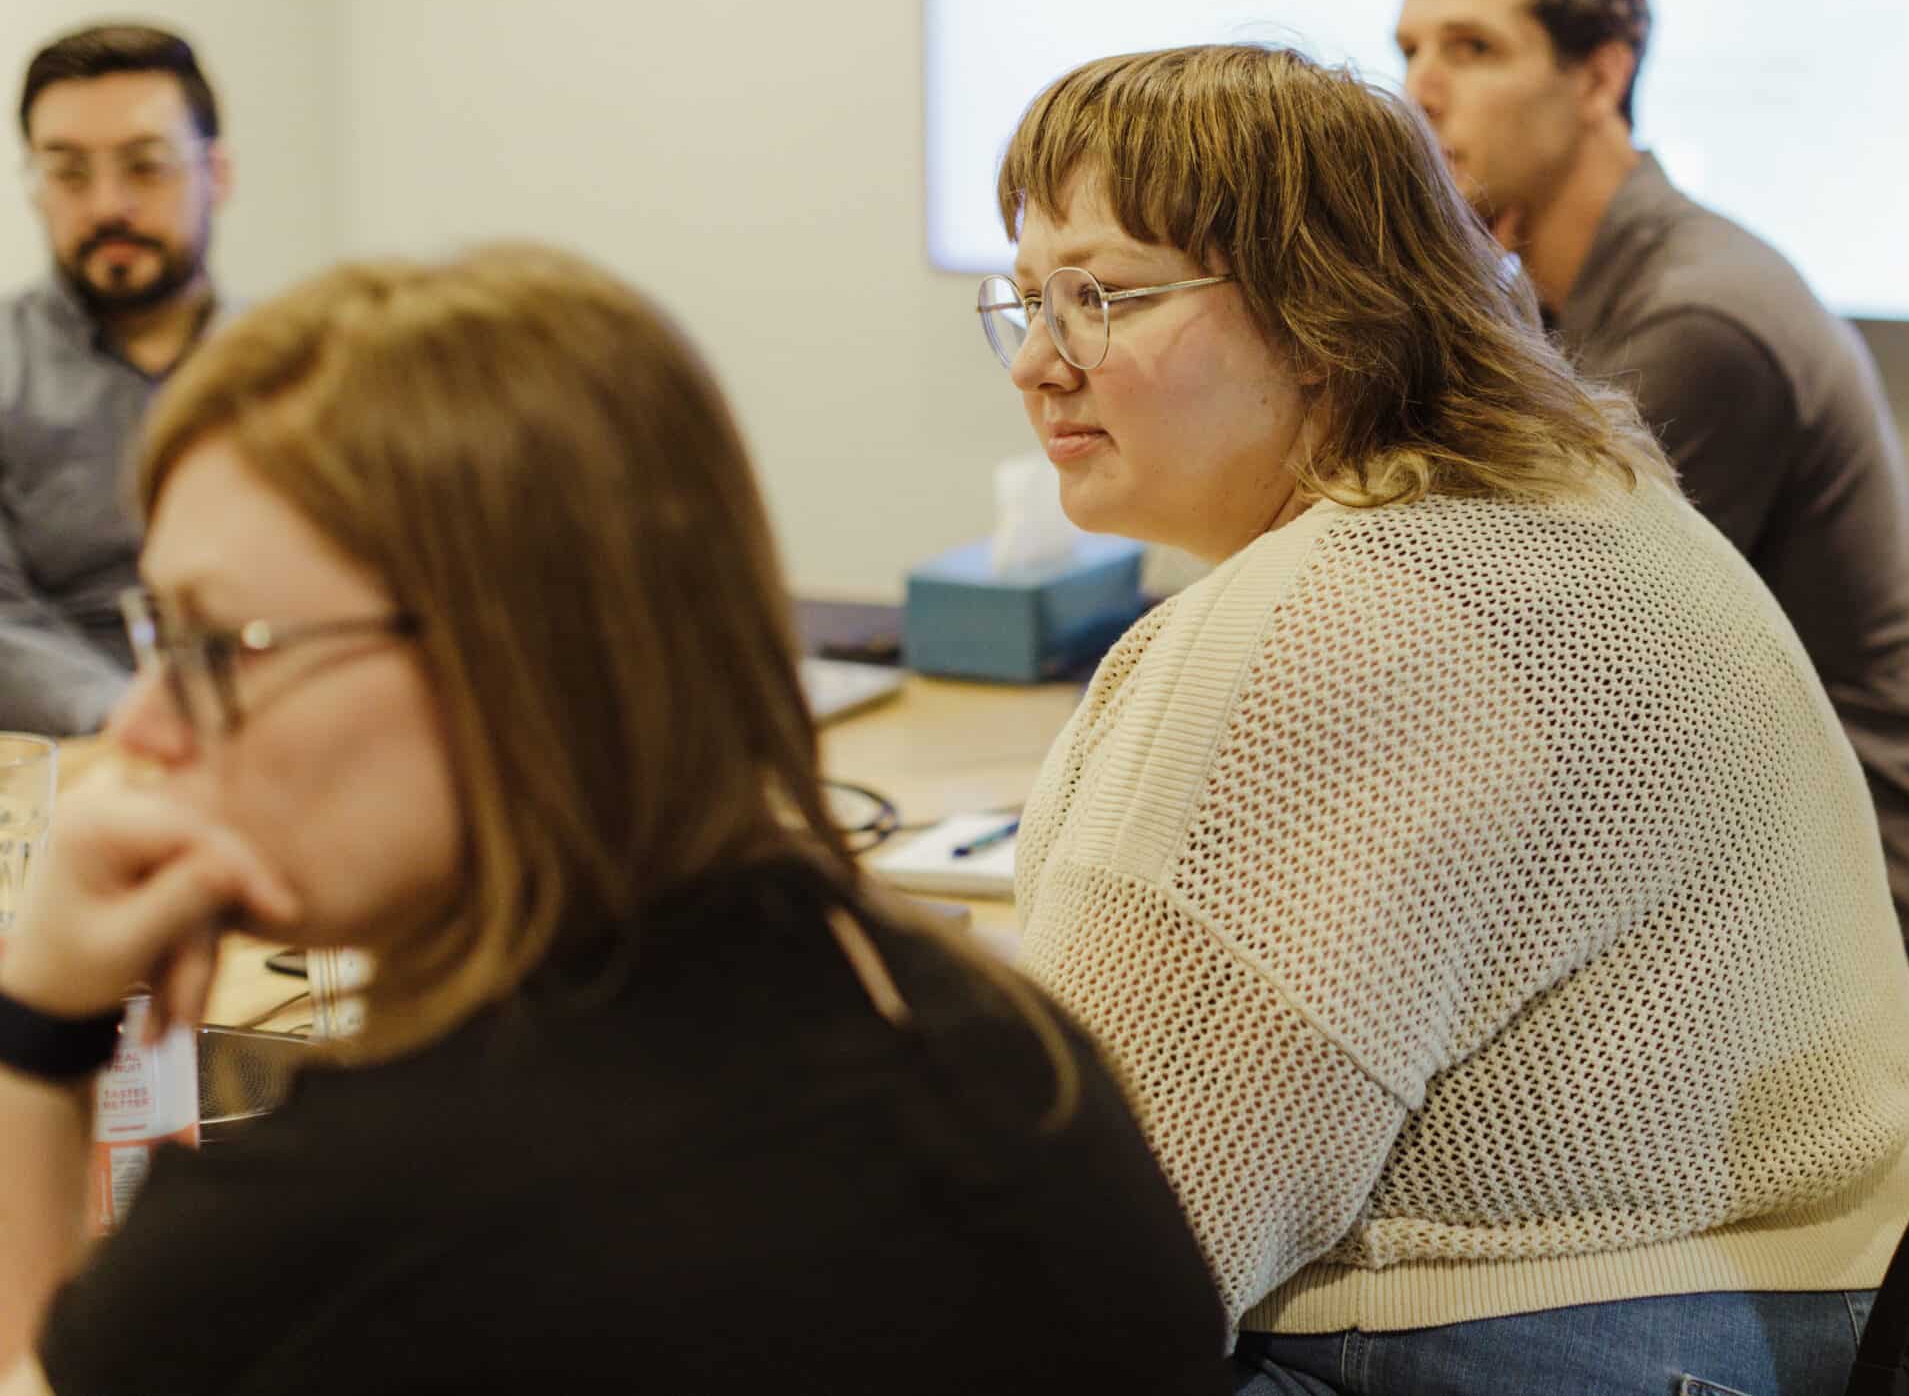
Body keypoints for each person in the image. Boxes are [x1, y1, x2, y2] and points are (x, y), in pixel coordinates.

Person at [0, 249, 1230, 1394]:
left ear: (506, 664)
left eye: (221, 647)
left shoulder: (342, 1215)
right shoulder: (1001, 1051)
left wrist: (42, 1028)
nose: (145, 725)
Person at [976, 44, 1909, 1394]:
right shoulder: (1570, 484)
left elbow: (1105, 1251)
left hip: (1631, 1332)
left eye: (1099, 297)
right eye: (1027, 301)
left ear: (1320, 315)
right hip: (1824, 1286)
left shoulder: (1336, 618)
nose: (1038, 364)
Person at [1394, 0, 1909, 991]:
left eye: (1473, 49)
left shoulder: (1696, 325)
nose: (1419, 93)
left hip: (1881, 973)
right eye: (1410, 50)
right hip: (1749, 894)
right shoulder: (1570, 293)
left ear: (1602, 76)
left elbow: (1535, 683)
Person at [2, 24, 233, 736]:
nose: (107, 206)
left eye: (145, 166)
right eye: (69, 173)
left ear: (217, 175)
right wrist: (136, 722)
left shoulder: (304, 372)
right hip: (67, 750)